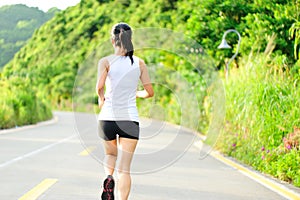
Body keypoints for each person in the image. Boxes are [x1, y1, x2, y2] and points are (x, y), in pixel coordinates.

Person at [96, 22, 154, 200]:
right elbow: (150, 92)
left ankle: (108, 177)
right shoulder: (139, 63)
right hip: (129, 120)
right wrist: (136, 93)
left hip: (107, 118)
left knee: (110, 155)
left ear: (113, 40)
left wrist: (101, 98)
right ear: (130, 39)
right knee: (125, 168)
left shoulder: (105, 61)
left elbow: (99, 87)